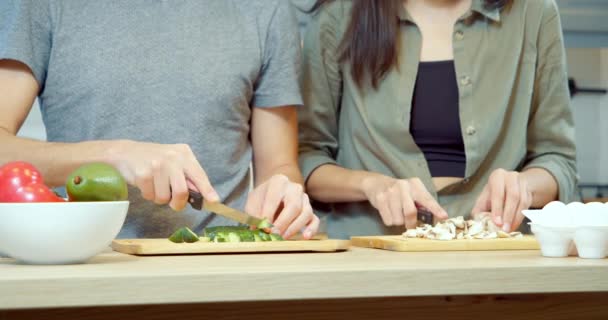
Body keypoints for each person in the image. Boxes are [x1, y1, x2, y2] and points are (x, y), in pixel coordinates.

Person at [0, 0, 319, 239]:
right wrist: (116, 155)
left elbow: (278, 165)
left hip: (221, 270)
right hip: (82, 262)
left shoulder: (269, 9)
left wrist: (284, 195)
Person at [298, 0, 577, 239]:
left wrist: (522, 187)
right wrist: (371, 185)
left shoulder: (534, 13)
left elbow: (557, 159)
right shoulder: (337, 18)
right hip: (369, 249)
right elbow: (307, 156)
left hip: (497, 253)